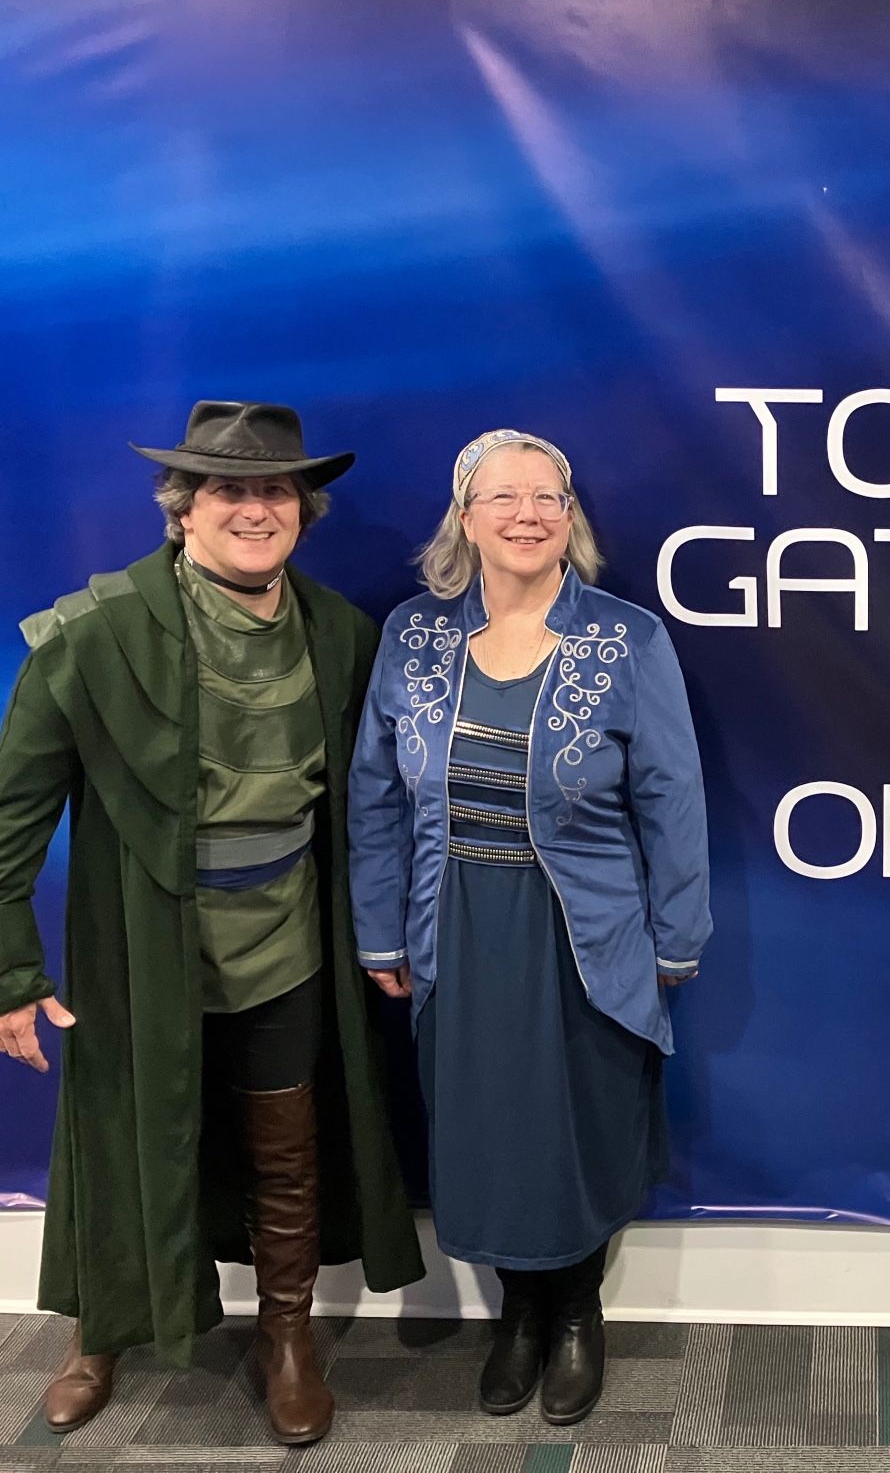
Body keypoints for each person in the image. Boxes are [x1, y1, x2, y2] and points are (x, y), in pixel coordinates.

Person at [0, 402, 424, 1445]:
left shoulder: (341, 634)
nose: (255, 509)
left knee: (286, 1148)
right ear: (182, 512)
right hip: (139, 949)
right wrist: (1, 971)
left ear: (304, 510)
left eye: (275, 490)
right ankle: (98, 1334)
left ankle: (289, 1334)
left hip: (290, 944)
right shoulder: (94, 632)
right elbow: (10, 808)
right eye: (228, 490)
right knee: (120, 1137)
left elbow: (373, 805)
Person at [350, 428, 711, 1424]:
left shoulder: (626, 638)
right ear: (464, 519)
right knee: (485, 1133)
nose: (525, 515)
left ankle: (576, 1311)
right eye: (501, 498)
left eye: (546, 498)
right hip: (453, 929)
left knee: (580, 1128)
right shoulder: (412, 636)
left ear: (569, 519)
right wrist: (379, 935)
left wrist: (676, 936)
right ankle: (518, 1313)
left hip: (585, 939)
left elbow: (672, 798)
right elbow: (375, 800)